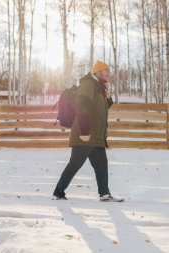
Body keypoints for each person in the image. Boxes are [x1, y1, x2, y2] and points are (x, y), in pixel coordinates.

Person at [53, 60, 123, 202]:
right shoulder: (88, 84)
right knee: (75, 164)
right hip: (85, 134)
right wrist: (84, 131)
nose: (108, 73)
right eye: (105, 70)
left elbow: (97, 109)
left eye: (109, 70)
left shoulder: (99, 86)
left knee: (102, 164)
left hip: (96, 136)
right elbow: (82, 107)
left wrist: (107, 100)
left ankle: (104, 194)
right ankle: (58, 192)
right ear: (98, 72)